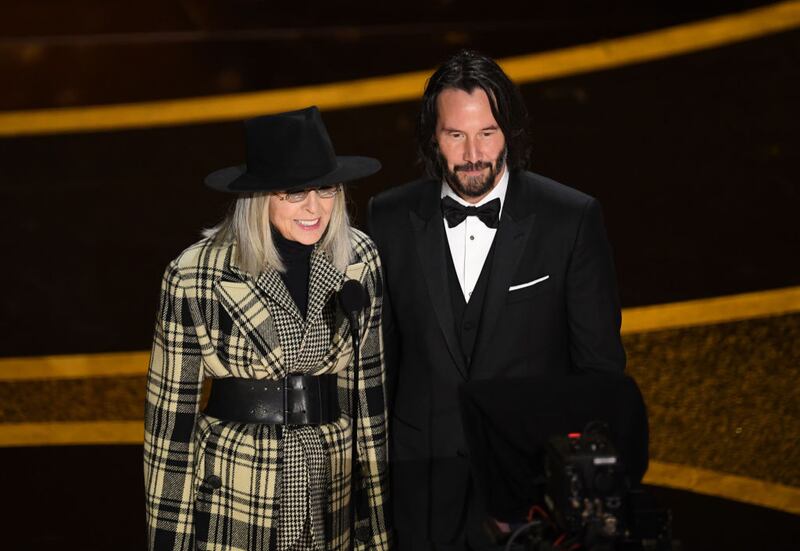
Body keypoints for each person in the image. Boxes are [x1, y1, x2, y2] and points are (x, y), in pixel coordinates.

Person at [367, 50, 626, 550]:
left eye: (487, 133)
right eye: (455, 135)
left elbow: (599, 374)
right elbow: (379, 368)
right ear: (431, 136)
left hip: (526, 496)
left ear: (510, 131)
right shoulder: (388, 218)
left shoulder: (569, 220)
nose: (472, 153)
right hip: (420, 499)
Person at [144, 106, 391, 551]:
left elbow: (368, 400)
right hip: (234, 493)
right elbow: (169, 429)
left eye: (326, 189)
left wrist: (376, 527)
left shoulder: (359, 258)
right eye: (294, 193)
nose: (315, 208)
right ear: (259, 197)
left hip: (328, 491)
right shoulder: (193, 275)